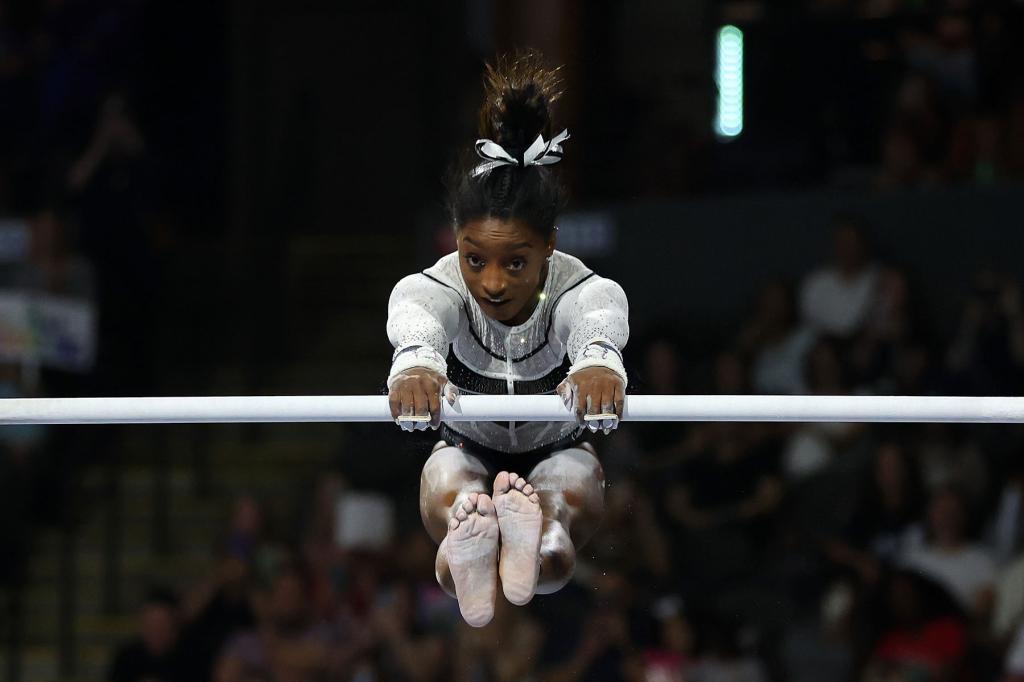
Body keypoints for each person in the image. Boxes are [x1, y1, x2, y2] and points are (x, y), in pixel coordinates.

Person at [385, 50, 628, 627]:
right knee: (450, 488)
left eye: (514, 264)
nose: (491, 283)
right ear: (457, 245)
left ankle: (534, 540)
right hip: (467, 448)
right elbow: (415, 309)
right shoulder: (439, 286)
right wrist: (416, 362)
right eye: (475, 260)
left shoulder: (577, 286)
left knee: (560, 501)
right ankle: (470, 546)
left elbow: (601, 310)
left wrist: (598, 361)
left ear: (549, 246)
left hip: (557, 448)